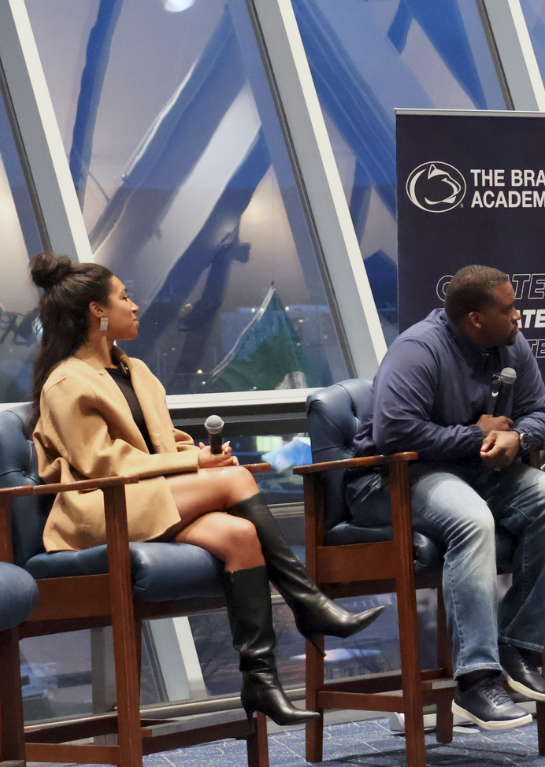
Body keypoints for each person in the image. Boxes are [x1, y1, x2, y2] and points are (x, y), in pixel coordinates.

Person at [27, 253, 383, 726]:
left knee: (240, 537)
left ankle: (260, 679)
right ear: (97, 311)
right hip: (100, 507)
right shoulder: (66, 382)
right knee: (235, 479)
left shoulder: (136, 372)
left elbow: (159, 440)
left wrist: (195, 451)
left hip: (145, 496)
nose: (134, 307)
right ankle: (309, 603)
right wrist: (196, 463)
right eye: (124, 297)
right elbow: (101, 462)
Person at [345, 265, 545, 731]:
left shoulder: (512, 344)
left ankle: (516, 644)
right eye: (508, 308)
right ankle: (475, 679)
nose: (518, 317)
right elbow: (394, 433)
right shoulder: (418, 349)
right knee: (472, 519)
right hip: (395, 478)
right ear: (475, 318)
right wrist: (474, 437)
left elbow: (540, 410)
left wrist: (519, 438)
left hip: (471, 471)